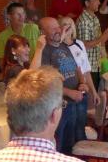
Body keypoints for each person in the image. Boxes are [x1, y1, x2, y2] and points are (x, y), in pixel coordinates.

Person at [31, 18, 90, 154]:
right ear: (43, 33)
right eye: (52, 28)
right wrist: (70, 93)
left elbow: (77, 67)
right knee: (61, 146)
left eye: (58, 27)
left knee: (73, 142)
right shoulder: (44, 52)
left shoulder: (63, 45)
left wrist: (83, 82)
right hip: (60, 106)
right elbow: (46, 82)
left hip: (75, 101)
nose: (58, 30)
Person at [59, 16, 99, 142]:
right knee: (68, 129)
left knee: (81, 125)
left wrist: (94, 92)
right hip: (66, 95)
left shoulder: (79, 44)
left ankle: (82, 150)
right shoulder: (58, 47)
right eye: (64, 24)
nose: (67, 27)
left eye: (69, 24)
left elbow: (86, 70)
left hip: (82, 91)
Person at [76, 0, 108, 92]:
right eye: (96, 0)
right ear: (87, 3)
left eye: (98, 0)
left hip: (96, 64)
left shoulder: (94, 18)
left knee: (96, 93)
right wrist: (102, 37)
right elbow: (85, 45)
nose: (99, 3)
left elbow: (100, 41)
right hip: (88, 67)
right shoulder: (84, 21)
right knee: (91, 96)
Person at [0, 2, 41, 69]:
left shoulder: (33, 28)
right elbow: (0, 60)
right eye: (18, 14)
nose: (22, 17)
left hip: (36, 67)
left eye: (23, 13)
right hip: (17, 70)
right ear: (9, 16)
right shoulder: (3, 36)